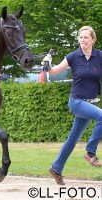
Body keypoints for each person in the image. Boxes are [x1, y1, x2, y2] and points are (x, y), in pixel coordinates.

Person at [41, 26, 102, 185]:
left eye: (86, 37)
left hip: (91, 102)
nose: (82, 39)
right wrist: (47, 65)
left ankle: (56, 168)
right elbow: (54, 71)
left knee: (72, 140)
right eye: (80, 37)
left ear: (93, 40)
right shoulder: (73, 56)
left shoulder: (99, 56)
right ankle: (90, 152)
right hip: (76, 102)